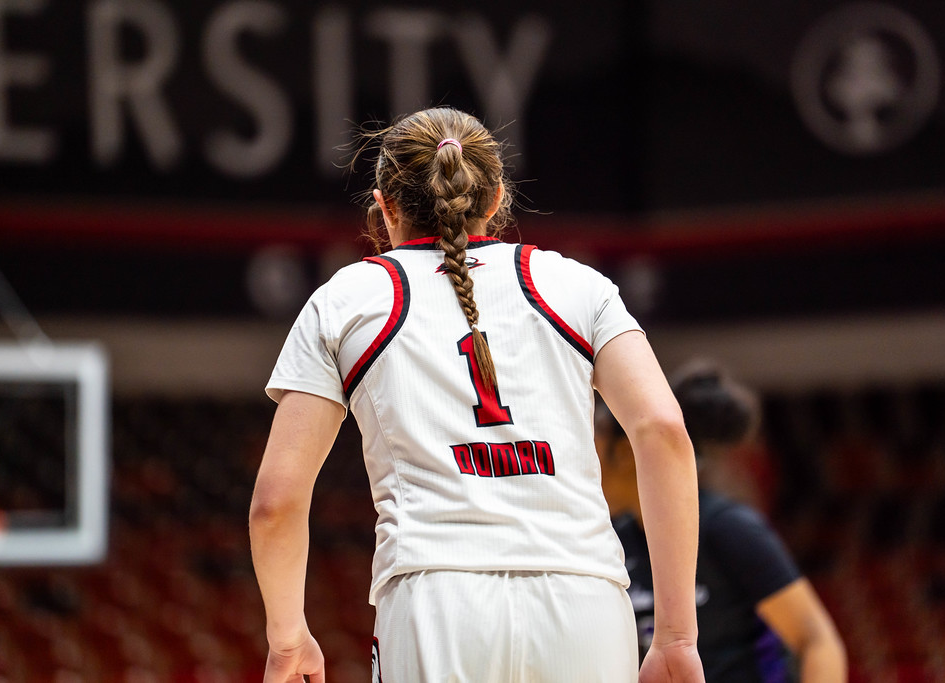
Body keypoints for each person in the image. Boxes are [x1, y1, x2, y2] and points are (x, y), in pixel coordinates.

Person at [249, 106, 705, 683]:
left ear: (384, 207)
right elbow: (664, 431)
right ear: (494, 200)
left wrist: (288, 640)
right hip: (583, 598)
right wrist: (676, 637)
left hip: (434, 598)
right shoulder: (578, 285)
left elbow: (275, 504)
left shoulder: (346, 299)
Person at [598, 359, 847, 683]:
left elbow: (818, 641)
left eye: (595, 441)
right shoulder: (613, 539)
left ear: (627, 453)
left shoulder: (727, 528)